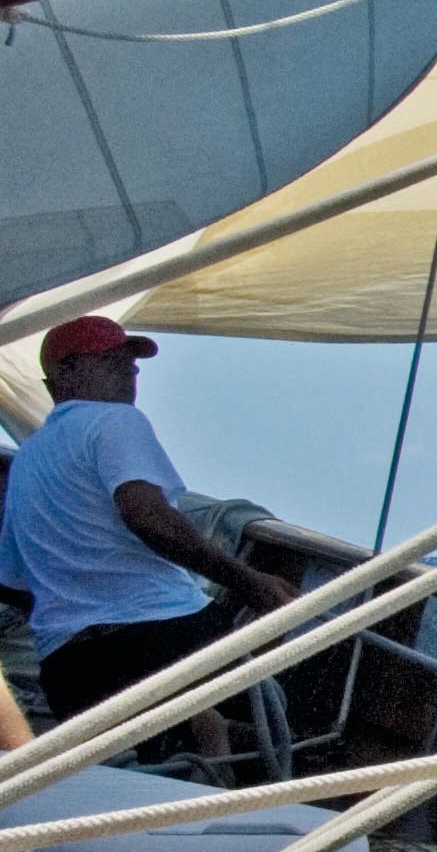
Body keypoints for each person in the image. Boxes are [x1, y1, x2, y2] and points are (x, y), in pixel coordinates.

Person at [0, 316, 298, 757]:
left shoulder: (26, 463)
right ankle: (225, 760)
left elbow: (12, 580)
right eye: (110, 359)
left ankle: (201, 735)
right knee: (274, 709)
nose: (131, 371)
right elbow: (147, 516)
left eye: (130, 361)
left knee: (140, 758)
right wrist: (253, 584)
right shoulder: (114, 421)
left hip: (69, 666)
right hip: (163, 633)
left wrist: (77, 613)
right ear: (63, 373)